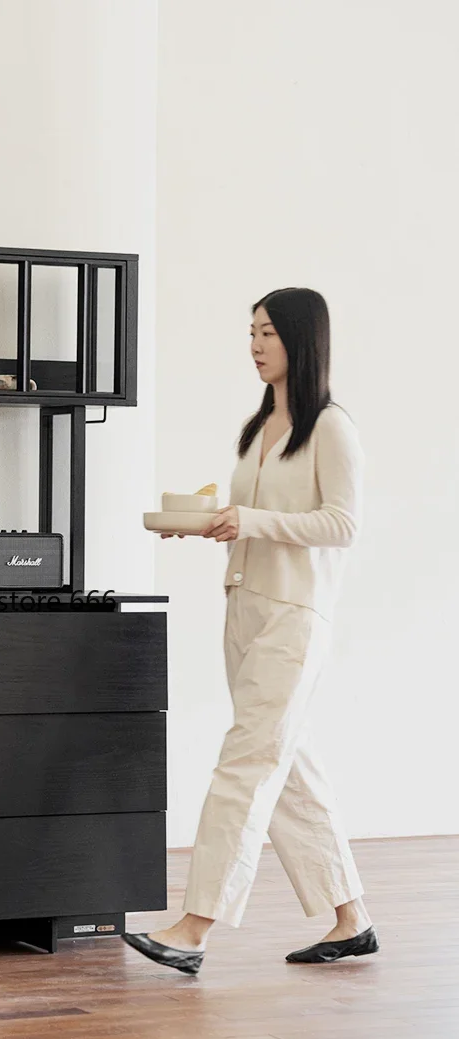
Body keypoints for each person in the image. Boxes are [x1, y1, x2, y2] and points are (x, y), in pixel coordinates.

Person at [123, 287, 377, 976]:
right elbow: (254, 515)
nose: (255, 344)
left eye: (267, 332)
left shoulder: (331, 428)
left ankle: (194, 926)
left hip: (295, 616)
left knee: (246, 763)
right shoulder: (259, 426)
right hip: (243, 606)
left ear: (302, 339)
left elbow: (342, 525)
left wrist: (252, 522)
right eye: (251, 332)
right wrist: (212, 523)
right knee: (286, 762)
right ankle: (350, 917)